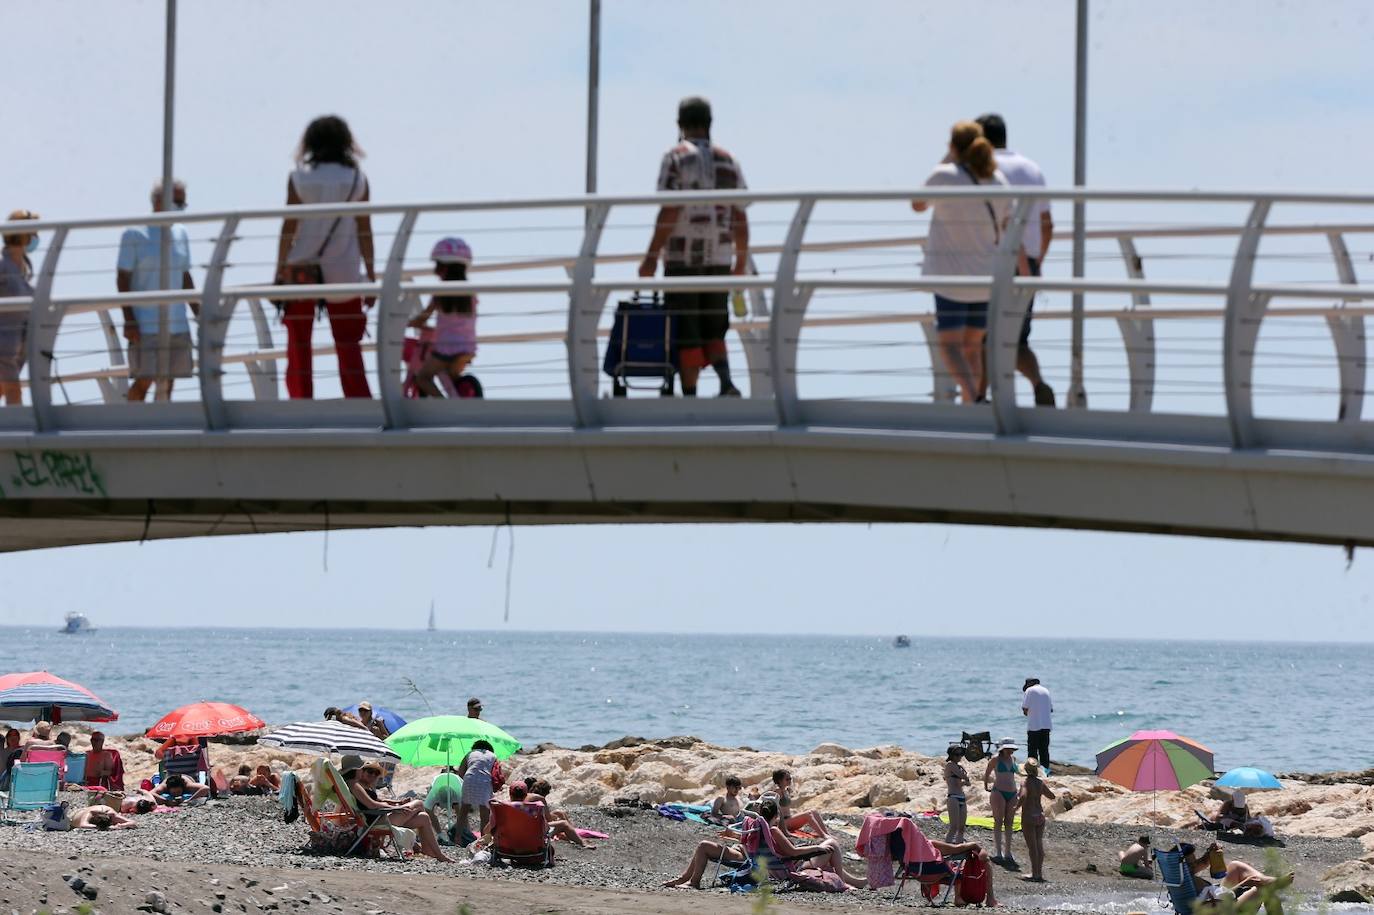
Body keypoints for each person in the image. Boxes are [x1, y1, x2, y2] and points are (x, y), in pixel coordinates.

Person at [638, 95, 749, 398]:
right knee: (714, 326)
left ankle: (689, 396)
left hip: (682, 258)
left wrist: (650, 258)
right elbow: (740, 214)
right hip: (720, 257)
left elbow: (669, 210)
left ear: (680, 124)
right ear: (710, 124)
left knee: (686, 333)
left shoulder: (675, 157)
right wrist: (740, 262)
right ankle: (726, 383)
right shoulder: (729, 160)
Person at [911, 121, 1013, 404]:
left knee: (950, 346)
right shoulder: (998, 182)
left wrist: (946, 160)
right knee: (972, 346)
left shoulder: (945, 175)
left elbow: (917, 204)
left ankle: (971, 395)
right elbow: (1007, 222)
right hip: (985, 278)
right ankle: (975, 400)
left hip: (951, 278)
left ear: (954, 146)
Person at [274, 114, 374, 399]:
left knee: (299, 343)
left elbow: (289, 227)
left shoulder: (300, 177)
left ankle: (301, 402)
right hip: (344, 269)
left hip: (302, 267)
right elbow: (364, 228)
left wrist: (280, 270)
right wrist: (372, 273)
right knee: (348, 343)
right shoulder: (357, 179)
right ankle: (358, 402)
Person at [973, 113, 1055, 407]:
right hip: (1028, 265)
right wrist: (1037, 263)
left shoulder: (984, 170)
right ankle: (1038, 384)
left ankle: (981, 397)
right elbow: (1047, 224)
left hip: (992, 263)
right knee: (1018, 340)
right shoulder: (1032, 169)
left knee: (985, 336)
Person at [116, 179, 199, 402]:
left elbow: (184, 275)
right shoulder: (134, 233)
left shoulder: (181, 233)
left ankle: (162, 430)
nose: (181, 209)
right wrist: (128, 318)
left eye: (183, 204)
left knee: (169, 382)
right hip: (146, 323)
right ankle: (131, 426)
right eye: (177, 203)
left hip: (177, 321)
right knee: (145, 379)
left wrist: (199, 311)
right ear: (160, 202)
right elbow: (123, 278)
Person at [407, 238, 477, 398]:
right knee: (453, 378)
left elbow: (423, 318)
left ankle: (443, 404)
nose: (435, 271)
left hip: (447, 349)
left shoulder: (440, 293)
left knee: (424, 378)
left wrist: (411, 322)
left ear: (445, 268)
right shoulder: (470, 293)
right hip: (467, 347)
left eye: (437, 266)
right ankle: (462, 397)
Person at [344, 761, 451, 862]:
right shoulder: (355, 785)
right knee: (419, 803)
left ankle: (429, 851)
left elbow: (377, 801)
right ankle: (428, 850)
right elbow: (371, 804)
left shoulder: (364, 786)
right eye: (370, 771)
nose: (373, 775)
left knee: (423, 817)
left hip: (381, 817)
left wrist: (398, 803)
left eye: (376, 773)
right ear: (360, 771)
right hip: (376, 821)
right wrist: (396, 808)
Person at [0, 209, 39, 406]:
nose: (36, 238)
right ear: (25, 235)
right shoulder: (2, 265)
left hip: (16, 348)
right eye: (34, 233)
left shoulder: (23, 269)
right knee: (14, 394)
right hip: (3, 346)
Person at [525, 778, 595, 849]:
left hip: (527, 826)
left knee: (558, 812)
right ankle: (581, 842)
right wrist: (556, 820)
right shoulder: (540, 799)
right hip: (537, 830)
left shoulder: (525, 797)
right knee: (564, 823)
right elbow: (548, 819)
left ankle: (570, 833)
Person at [983, 738, 1020, 866]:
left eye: (1012, 748)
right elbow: (987, 772)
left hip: (1013, 792)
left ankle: (1008, 852)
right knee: (998, 821)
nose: (1011, 751)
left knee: (1009, 822)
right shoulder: (995, 759)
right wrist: (986, 785)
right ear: (1003, 749)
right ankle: (998, 852)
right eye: (1008, 748)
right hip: (998, 791)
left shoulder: (1013, 759)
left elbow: (1015, 775)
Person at [1017, 758, 1055, 882]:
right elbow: (1051, 796)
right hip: (1039, 815)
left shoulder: (1025, 782)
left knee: (1032, 847)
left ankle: (1035, 874)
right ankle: (1039, 872)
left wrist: (1015, 807)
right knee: (1039, 845)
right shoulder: (1040, 783)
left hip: (1029, 816)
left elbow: (1023, 796)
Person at [767, 769, 830, 838]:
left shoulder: (786, 790)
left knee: (814, 811)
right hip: (784, 822)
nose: (790, 781)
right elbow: (773, 807)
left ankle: (826, 833)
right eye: (787, 779)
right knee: (808, 815)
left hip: (789, 819)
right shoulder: (778, 791)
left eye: (790, 778)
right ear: (780, 781)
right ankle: (823, 835)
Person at [456, 739, 498, 844]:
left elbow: (460, 772)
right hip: (485, 781)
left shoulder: (470, 754)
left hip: (469, 779)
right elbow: (497, 774)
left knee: (463, 811)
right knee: (484, 813)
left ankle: (458, 838)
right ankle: (483, 840)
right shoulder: (492, 756)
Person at [1021, 678, 1054, 774]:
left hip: (1034, 725)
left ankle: (1032, 772)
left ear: (1029, 684)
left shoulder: (1029, 690)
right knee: (1044, 751)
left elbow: (1025, 708)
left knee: (1032, 751)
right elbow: (1051, 709)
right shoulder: (1046, 691)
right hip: (1046, 725)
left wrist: (1029, 713)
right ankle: (1045, 772)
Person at [944, 744, 971, 844]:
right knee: (953, 827)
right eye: (957, 754)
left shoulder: (959, 767)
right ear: (951, 755)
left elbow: (968, 782)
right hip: (953, 797)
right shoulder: (950, 765)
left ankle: (959, 848)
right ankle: (947, 848)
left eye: (961, 754)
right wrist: (964, 778)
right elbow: (963, 776)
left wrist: (964, 780)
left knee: (961, 827)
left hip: (961, 797)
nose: (959, 756)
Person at [70, 804, 138, 830]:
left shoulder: (111, 814)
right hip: (74, 815)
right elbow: (83, 825)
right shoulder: (91, 813)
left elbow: (133, 823)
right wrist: (107, 828)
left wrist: (121, 825)